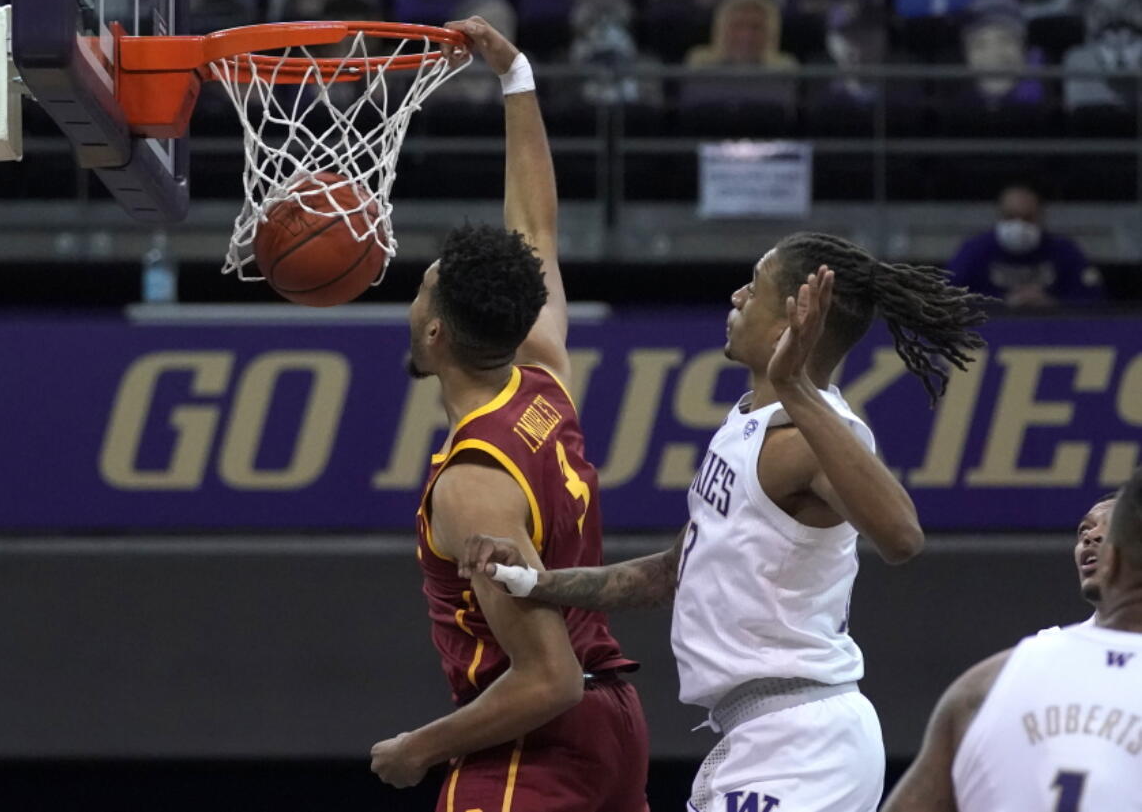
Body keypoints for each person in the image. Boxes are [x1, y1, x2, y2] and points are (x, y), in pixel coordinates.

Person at [462, 233, 989, 811]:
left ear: (794, 317)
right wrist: (537, 582)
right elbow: (670, 573)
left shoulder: (816, 435)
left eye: (754, 287)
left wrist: (793, 383)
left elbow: (902, 535)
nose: (736, 295)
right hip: (755, 734)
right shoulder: (747, 423)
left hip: (803, 739)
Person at [368, 16, 649, 812]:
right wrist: (516, 78)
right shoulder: (543, 374)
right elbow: (535, 232)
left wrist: (417, 748)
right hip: (616, 720)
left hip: (538, 740)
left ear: (435, 334)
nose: (415, 292)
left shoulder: (472, 484)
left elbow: (547, 677)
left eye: (422, 286)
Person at [880, 466, 1142, 812]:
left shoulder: (990, 681)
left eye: (1107, 533)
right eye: (1084, 531)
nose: (1091, 539)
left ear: (1115, 560)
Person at [946, 182, 1102, 308]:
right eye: (1010, 217)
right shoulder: (974, 250)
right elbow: (948, 298)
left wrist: (1051, 304)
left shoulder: (1065, 251)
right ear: (998, 216)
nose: (1018, 225)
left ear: (1041, 217)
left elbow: (1094, 300)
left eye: (1027, 218)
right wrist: (1002, 304)